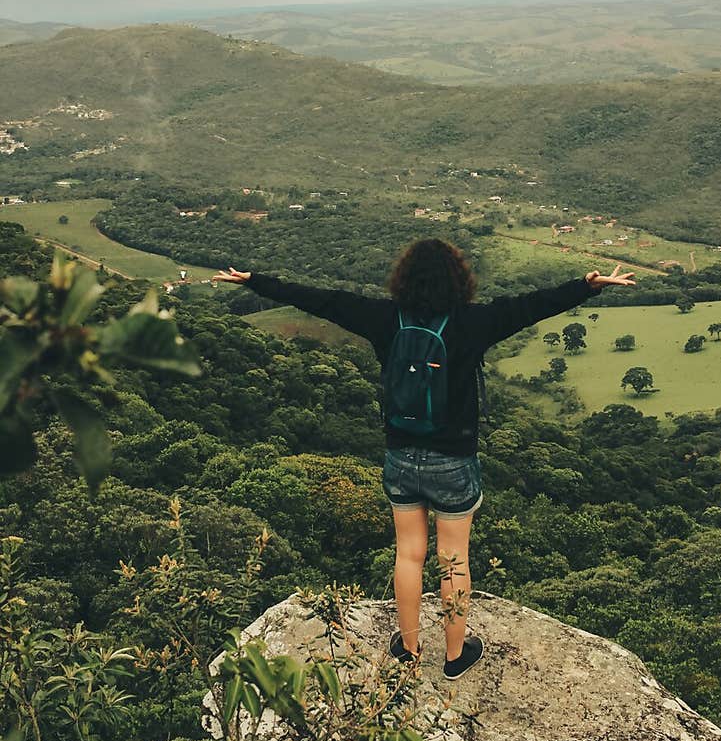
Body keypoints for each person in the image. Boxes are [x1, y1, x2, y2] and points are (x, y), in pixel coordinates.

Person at [214, 241, 635, 679]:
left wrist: (255, 281)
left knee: (409, 554)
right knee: (453, 559)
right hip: (453, 460)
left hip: (400, 454)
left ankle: (409, 649)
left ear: (404, 278)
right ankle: (455, 657)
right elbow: (532, 306)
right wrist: (586, 287)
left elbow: (319, 299)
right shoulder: (474, 322)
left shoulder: (382, 318)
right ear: (459, 279)